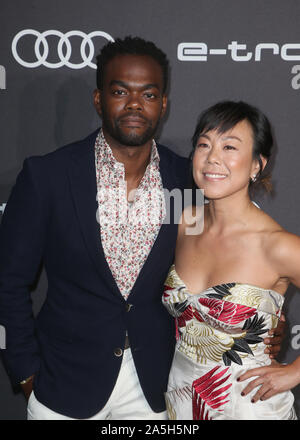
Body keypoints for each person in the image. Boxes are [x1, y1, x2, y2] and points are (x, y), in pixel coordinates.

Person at [0, 38, 283, 420]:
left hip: (155, 389)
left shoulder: (190, 180)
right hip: (63, 385)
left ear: (163, 104)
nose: (135, 104)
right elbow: (10, 280)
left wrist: (268, 325)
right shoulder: (47, 176)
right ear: (99, 100)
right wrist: (26, 373)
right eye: (120, 91)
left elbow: (226, 261)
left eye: (148, 94)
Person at [162, 100, 299, 420]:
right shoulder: (185, 222)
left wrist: (294, 372)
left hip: (249, 407)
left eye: (230, 147)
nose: (213, 158)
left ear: (257, 165)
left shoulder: (276, 246)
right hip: (181, 402)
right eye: (204, 145)